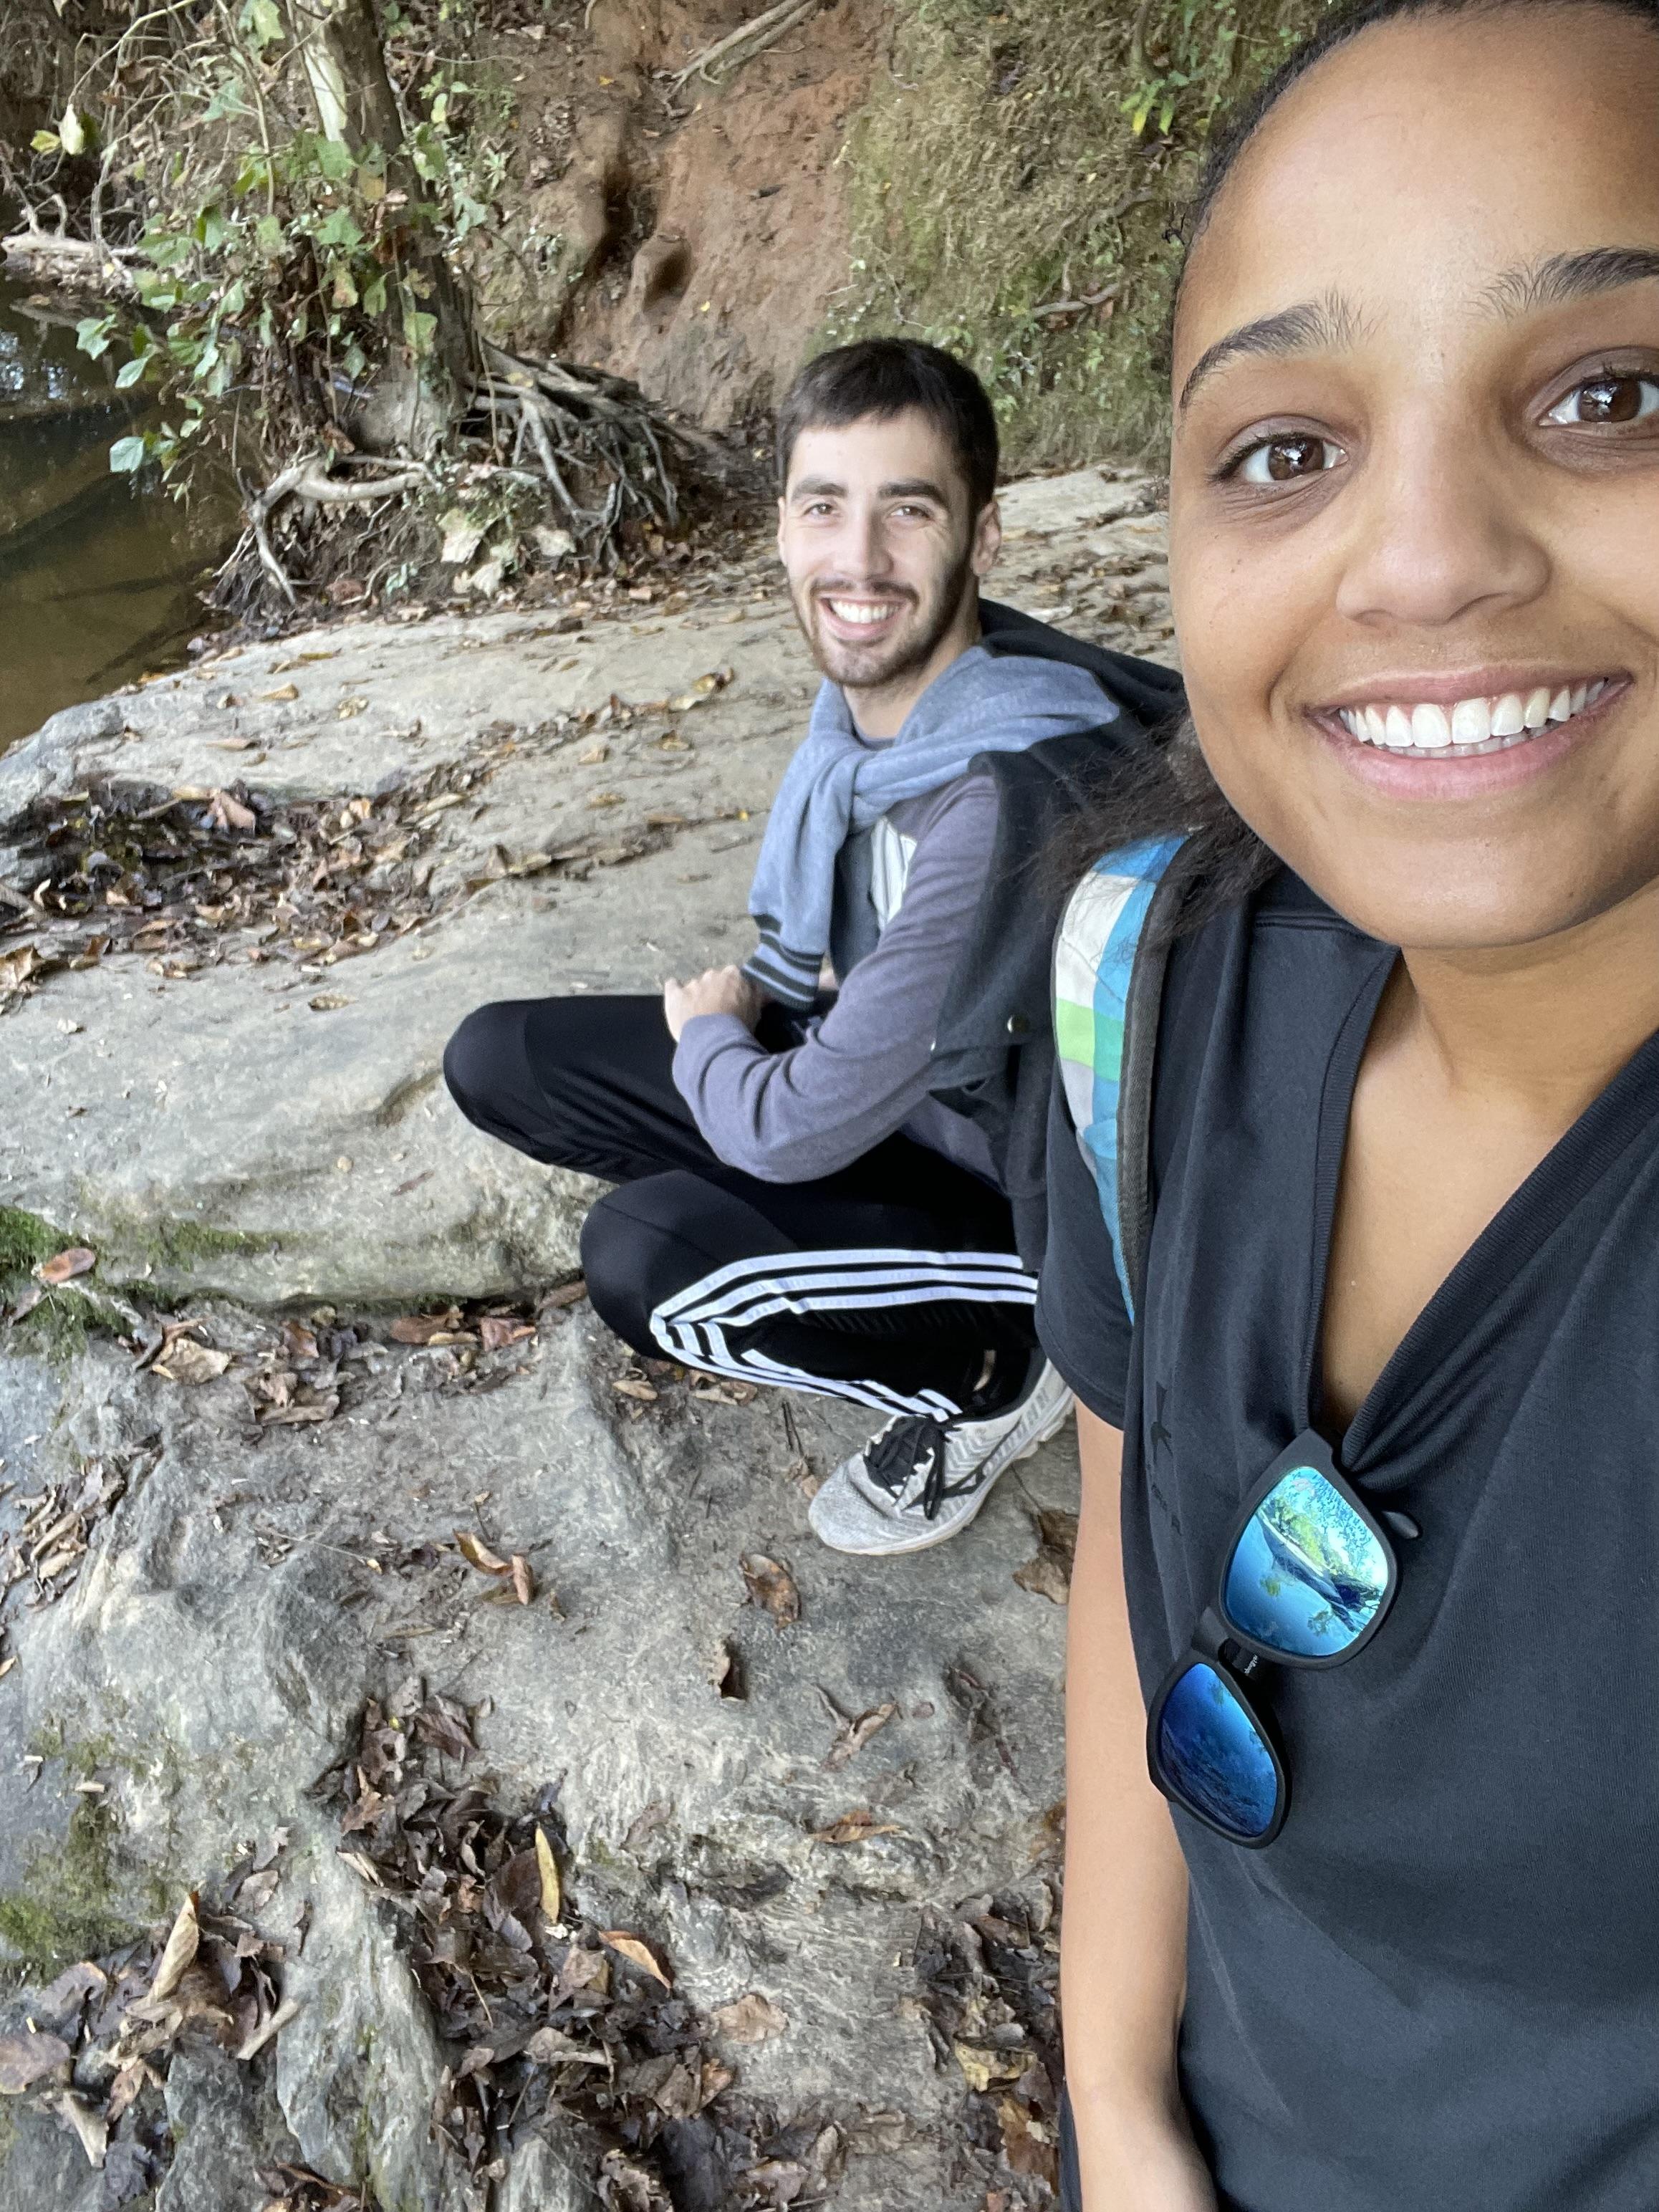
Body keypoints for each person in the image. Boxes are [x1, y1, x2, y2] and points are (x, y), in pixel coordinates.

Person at [1041, 1, 1659, 2205]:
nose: (1419, 562)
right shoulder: (1149, 981)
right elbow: (1127, 1542)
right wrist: (1114, 2102)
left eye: (1610, 396)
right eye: (1284, 448)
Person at [443, 339, 1182, 1554]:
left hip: (1038, 1206)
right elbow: (832, 979)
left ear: (983, 537)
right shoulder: (872, 709)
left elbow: (789, 1128)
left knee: (645, 1259)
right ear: (782, 528)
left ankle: (991, 1372)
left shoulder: (1003, 791)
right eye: (824, 506)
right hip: (913, 1095)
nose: (860, 560)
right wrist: (794, 1017)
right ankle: (828, 1249)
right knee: (501, 1058)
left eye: (909, 511)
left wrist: (712, 1043)